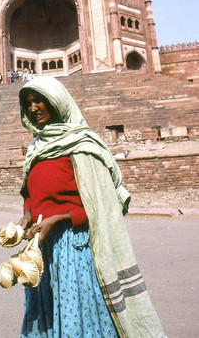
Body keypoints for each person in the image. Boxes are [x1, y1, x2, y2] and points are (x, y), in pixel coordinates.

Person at [18, 77, 166, 338]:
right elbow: (31, 193)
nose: (33, 108)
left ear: (57, 102)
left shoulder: (82, 146)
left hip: (74, 249)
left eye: (38, 100)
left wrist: (60, 219)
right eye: (28, 103)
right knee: (48, 315)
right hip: (43, 247)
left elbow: (103, 206)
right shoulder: (37, 147)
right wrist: (27, 213)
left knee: (79, 317)